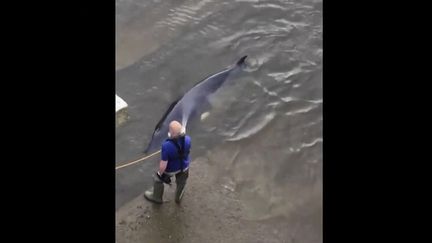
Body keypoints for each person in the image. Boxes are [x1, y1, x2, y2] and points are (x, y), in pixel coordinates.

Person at [144, 120, 191, 204]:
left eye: (169, 130)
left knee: (157, 178)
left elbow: (163, 165)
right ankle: (178, 197)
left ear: (171, 133)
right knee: (182, 182)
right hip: (184, 166)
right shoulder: (188, 139)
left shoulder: (166, 146)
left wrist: (159, 174)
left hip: (171, 170)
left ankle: (157, 197)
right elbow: (187, 152)